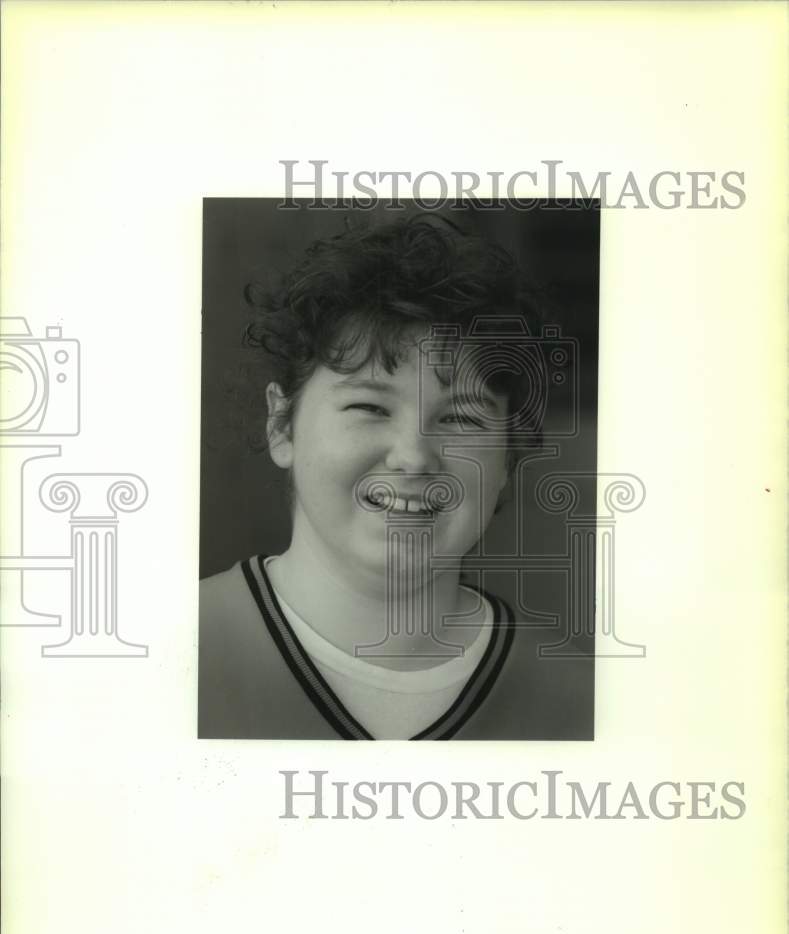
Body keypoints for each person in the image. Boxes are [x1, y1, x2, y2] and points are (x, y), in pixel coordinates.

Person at [198, 213, 592, 740]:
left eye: (459, 418)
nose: (414, 456)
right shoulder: (162, 653)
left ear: (509, 455)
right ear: (281, 425)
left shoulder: (585, 700)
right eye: (369, 407)